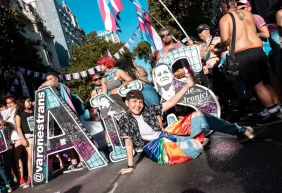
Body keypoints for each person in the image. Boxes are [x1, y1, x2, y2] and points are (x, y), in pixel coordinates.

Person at [118, 76, 265, 175]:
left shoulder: (148, 109)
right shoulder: (125, 120)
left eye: (140, 102)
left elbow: (171, 103)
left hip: (169, 133)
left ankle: (242, 131)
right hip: (157, 148)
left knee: (199, 116)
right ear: (127, 103)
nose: (137, 105)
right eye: (133, 102)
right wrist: (130, 167)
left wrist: (187, 86)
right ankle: (198, 141)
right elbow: (129, 144)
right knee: (194, 147)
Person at [219, 0, 282, 126]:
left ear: (223, 8)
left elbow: (225, 40)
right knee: (266, 82)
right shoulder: (247, 14)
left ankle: (274, 113)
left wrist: (221, 45)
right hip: (259, 51)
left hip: (244, 55)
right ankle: (278, 109)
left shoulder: (225, 19)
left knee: (257, 86)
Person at [39, 72, 86, 173]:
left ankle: (83, 159)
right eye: (46, 79)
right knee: (67, 141)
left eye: (50, 78)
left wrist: (42, 85)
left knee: (76, 138)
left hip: (68, 115)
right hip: (56, 116)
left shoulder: (62, 86)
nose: (48, 81)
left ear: (56, 79)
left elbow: (51, 83)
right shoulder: (48, 91)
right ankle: (74, 162)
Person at [0, 96, 24, 187]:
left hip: (19, 135)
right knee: (17, 158)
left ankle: (22, 177)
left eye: (11, 102)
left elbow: (16, 123)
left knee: (20, 157)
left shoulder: (18, 109)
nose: (9, 104)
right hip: (11, 137)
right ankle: (20, 177)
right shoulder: (7, 111)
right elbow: (0, 117)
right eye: (8, 103)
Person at [15, 96, 34, 188]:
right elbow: (18, 127)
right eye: (28, 101)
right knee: (30, 156)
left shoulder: (34, 111)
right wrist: (22, 139)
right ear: (22, 103)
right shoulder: (19, 114)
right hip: (28, 136)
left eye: (30, 101)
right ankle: (30, 177)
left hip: (38, 134)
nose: (30, 103)